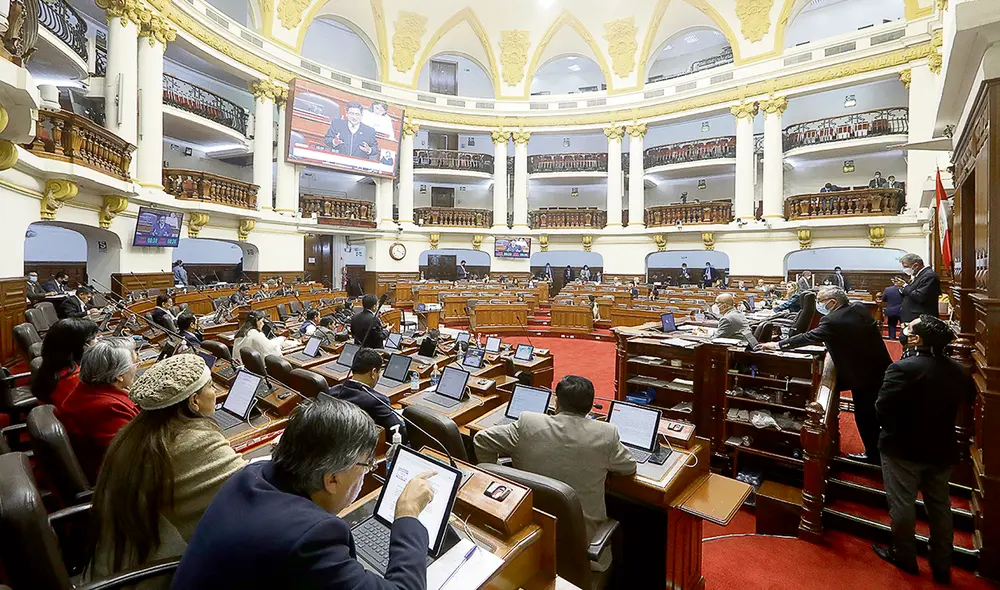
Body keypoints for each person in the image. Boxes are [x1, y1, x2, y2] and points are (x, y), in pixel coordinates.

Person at [170, 398, 433, 589]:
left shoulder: (252, 474)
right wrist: (407, 514)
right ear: (332, 479)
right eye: (366, 465)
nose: (366, 475)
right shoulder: (312, 538)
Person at [87, 354, 246, 583]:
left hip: (117, 563)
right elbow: (249, 489)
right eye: (211, 386)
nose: (215, 392)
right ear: (194, 401)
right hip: (156, 578)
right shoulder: (193, 442)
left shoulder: (131, 435)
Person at [474, 375, 636, 564]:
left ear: (557, 401)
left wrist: (499, 480)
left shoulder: (528, 423)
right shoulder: (606, 434)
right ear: (591, 407)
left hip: (527, 532)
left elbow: (481, 440)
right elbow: (629, 466)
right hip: (578, 548)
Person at [872, 316, 973, 584]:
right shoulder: (956, 369)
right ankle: (941, 563)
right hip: (941, 446)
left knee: (902, 504)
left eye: (908, 328)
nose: (903, 330)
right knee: (940, 506)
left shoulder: (903, 368)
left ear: (916, 339)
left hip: (902, 447)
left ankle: (904, 555)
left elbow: (882, 407)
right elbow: (966, 401)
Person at [761, 286, 891, 464]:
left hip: (863, 375)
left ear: (832, 302)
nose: (818, 305)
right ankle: (883, 449)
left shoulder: (832, 320)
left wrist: (777, 345)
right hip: (881, 367)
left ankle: (873, 455)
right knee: (878, 412)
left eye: (821, 301)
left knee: (864, 415)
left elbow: (808, 337)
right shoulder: (858, 307)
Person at [56, 337, 140, 482]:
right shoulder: (106, 409)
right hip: (116, 482)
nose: (137, 367)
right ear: (119, 375)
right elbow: (134, 457)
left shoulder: (89, 388)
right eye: (135, 363)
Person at [326, 348, 407, 443]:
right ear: (373, 372)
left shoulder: (333, 391)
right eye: (379, 372)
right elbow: (399, 432)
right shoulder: (378, 401)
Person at [32, 317, 99, 409]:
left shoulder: (54, 363)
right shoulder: (74, 378)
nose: (98, 340)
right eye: (94, 338)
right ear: (82, 346)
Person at [893, 253, 941, 325]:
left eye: (906, 267)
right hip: (912, 318)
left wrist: (905, 286)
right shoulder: (919, 275)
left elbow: (920, 296)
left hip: (920, 318)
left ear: (916, 265)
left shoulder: (929, 275)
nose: (905, 270)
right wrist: (902, 287)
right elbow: (911, 292)